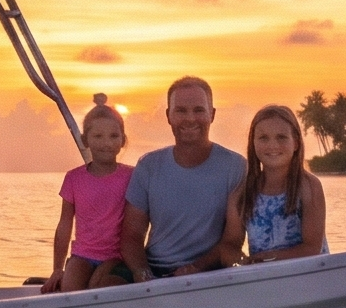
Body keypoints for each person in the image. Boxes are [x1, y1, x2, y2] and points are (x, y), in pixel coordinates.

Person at [119, 76, 245, 280]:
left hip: (210, 272)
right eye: (181, 110)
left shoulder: (236, 167)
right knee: (108, 282)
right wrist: (144, 275)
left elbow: (233, 241)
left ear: (212, 115)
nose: (190, 118)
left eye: (198, 110)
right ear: (169, 116)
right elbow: (131, 237)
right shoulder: (148, 166)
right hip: (154, 269)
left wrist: (193, 269)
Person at [217, 103, 329, 266]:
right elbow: (230, 244)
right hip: (265, 282)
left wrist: (265, 258)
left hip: (310, 278)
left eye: (281, 137)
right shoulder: (242, 192)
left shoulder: (308, 186)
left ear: (296, 143)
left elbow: (311, 248)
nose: (272, 145)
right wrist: (240, 259)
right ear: (253, 143)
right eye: (263, 138)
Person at [44, 101, 132, 292]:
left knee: (97, 288)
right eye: (98, 136)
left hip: (116, 255)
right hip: (82, 255)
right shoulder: (74, 178)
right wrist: (57, 269)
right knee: (70, 288)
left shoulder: (132, 177)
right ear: (85, 140)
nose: (106, 143)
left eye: (113, 136)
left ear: (123, 140)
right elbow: (64, 225)